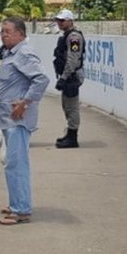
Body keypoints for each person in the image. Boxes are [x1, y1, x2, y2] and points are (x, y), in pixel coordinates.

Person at [0, 18, 50, 226]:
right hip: (9, 119)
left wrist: (24, 103)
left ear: (20, 33)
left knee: (16, 165)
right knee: (12, 163)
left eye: (8, 31)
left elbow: (41, 79)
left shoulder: (24, 53)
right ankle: (17, 203)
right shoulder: (12, 53)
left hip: (17, 119)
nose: (3, 34)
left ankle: (21, 210)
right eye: (2, 31)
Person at [52, 9, 85, 149]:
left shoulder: (74, 37)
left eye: (62, 20)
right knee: (66, 105)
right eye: (58, 20)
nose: (60, 23)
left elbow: (72, 59)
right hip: (68, 75)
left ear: (70, 21)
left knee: (71, 106)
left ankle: (73, 137)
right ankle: (70, 133)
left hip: (72, 76)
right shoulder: (67, 36)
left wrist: (64, 78)